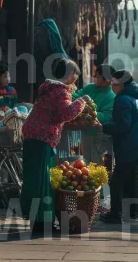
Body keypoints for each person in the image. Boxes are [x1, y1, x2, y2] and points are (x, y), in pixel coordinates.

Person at [20, 58, 94, 231]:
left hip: (33, 135)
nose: (76, 78)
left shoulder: (49, 88)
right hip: (42, 137)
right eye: (75, 74)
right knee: (44, 181)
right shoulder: (60, 91)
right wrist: (82, 100)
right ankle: (43, 222)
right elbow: (66, 114)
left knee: (34, 178)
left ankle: (35, 218)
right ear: (70, 74)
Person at [100, 70, 138, 223]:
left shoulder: (122, 99)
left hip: (128, 145)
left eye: (113, 84)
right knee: (132, 179)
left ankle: (115, 214)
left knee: (117, 180)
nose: (112, 87)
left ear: (122, 85)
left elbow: (123, 125)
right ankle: (132, 212)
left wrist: (103, 127)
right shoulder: (137, 97)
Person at [73, 64, 117, 164]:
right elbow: (76, 97)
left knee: (97, 164)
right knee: (83, 163)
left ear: (106, 79)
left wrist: (90, 112)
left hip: (99, 136)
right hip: (83, 133)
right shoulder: (89, 88)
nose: (95, 79)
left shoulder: (111, 96)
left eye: (97, 76)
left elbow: (107, 117)